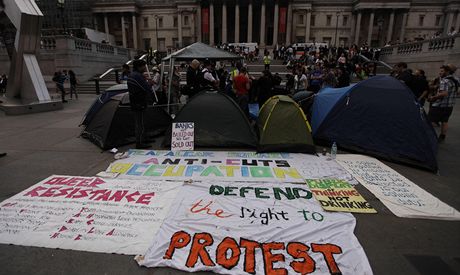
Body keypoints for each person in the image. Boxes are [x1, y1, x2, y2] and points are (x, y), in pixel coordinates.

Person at [127, 59, 154, 149]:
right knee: (140, 123)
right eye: (143, 66)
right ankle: (139, 142)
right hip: (139, 103)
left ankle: (144, 138)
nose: (145, 68)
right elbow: (146, 88)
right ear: (139, 67)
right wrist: (149, 83)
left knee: (142, 122)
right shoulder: (137, 76)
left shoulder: (133, 75)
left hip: (137, 101)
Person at [428, 65, 457, 142]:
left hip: (440, 105)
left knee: (429, 121)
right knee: (445, 121)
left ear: (447, 71)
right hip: (449, 105)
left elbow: (444, 93)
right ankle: (442, 137)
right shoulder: (455, 79)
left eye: (442, 71)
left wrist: (433, 98)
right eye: (440, 71)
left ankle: (428, 137)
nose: (440, 72)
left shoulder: (444, 81)